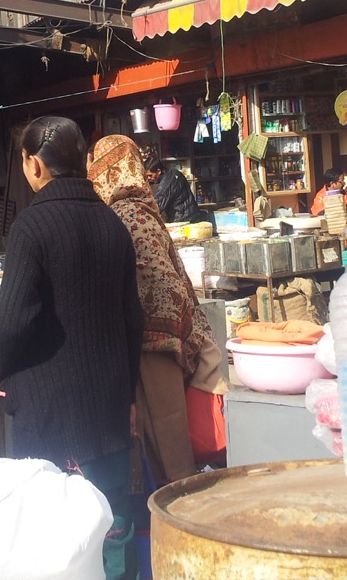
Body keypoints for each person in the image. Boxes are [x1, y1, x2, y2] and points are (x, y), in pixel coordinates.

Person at [0, 117, 143, 580]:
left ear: (33, 164)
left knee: (57, 522)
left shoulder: (31, 226)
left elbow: (14, 315)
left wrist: (0, 367)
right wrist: (129, 390)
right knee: (113, 520)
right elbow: (131, 317)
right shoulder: (112, 223)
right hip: (109, 402)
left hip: (52, 406)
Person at [88, 135, 228, 484]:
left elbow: (154, 283)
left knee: (167, 436)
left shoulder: (124, 215)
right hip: (163, 336)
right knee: (158, 431)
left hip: (152, 340)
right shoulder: (142, 208)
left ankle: (179, 510)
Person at [143, 153, 208, 224]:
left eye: (150, 175)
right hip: (190, 215)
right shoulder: (173, 173)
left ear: (159, 171)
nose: (149, 178)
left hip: (184, 220)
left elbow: (156, 206)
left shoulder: (167, 183)